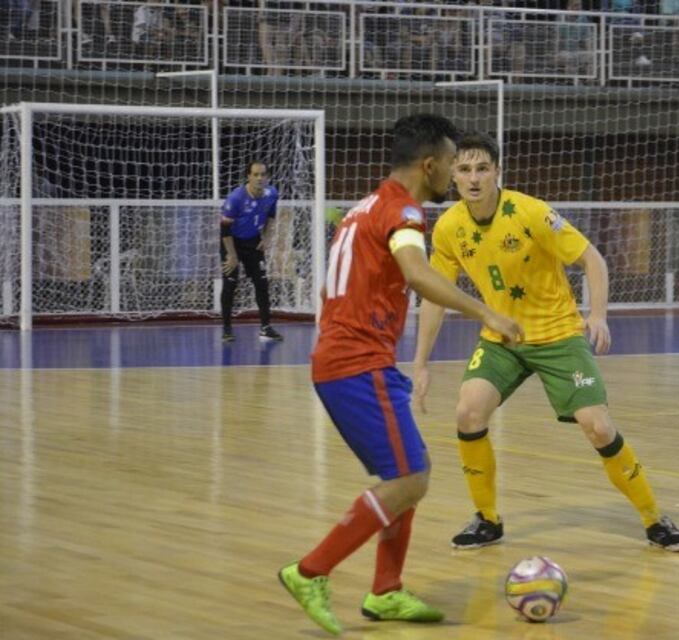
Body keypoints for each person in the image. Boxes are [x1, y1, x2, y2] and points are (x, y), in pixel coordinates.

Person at [277, 115, 523, 635]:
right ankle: (311, 571)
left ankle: (386, 591)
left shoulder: (365, 207)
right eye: (452, 163)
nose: (456, 173)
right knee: (410, 478)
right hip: (356, 363)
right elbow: (416, 272)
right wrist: (488, 313)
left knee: (409, 473)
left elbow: (340, 285)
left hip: (352, 358)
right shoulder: (405, 211)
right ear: (430, 165)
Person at [411, 133, 679, 552]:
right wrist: (420, 362)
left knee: (598, 428)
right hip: (503, 339)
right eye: (465, 169)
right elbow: (435, 296)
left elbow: (592, 259)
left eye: (482, 169)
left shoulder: (531, 212)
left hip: (559, 334)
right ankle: (487, 520)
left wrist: (597, 315)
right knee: (468, 413)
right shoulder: (450, 228)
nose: (473, 178)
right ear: (452, 174)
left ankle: (656, 520)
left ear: (497, 172)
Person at [219, 160, 283, 342]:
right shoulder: (236, 199)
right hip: (231, 242)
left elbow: (271, 215)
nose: (259, 178)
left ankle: (266, 328)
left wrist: (267, 236)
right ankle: (227, 329)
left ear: (267, 177)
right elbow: (224, 229)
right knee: (230, 284)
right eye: (255, 174)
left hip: (254, 242)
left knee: (262, 283)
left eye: (263, 174)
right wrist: (232, 255)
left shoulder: (272, 193)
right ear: (248, 176)